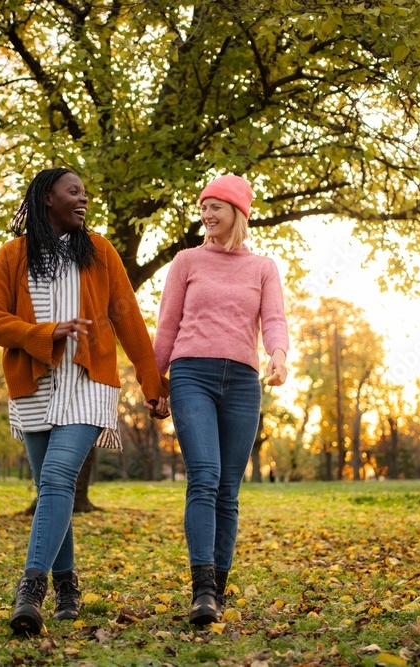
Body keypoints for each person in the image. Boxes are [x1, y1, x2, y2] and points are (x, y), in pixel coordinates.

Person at [0, 167, 169, 636]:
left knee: (59, 476)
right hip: (33, 385)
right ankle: (67, 587)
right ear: (48, 197)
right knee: (51, 489)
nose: (83, 199)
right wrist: (44, 333)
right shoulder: (12, 255)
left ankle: (31, 591)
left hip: (87, 383)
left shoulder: (100, 252)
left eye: (85, 192)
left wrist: (153, 384)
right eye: (74, 191)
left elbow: (129, 320)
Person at [153, 174, 289, 625]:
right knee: (205, 477)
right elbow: (167, 325)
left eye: (216, 206)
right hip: (192, 374)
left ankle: (219, 588)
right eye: (204, 207)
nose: (207, 214)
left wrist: (278, 355)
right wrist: (154, 382)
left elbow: (274, 319)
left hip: (244, 382)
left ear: (238, 212)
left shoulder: (263, 267)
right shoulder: (187, 261)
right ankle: (203, 590)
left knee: (228, 490)